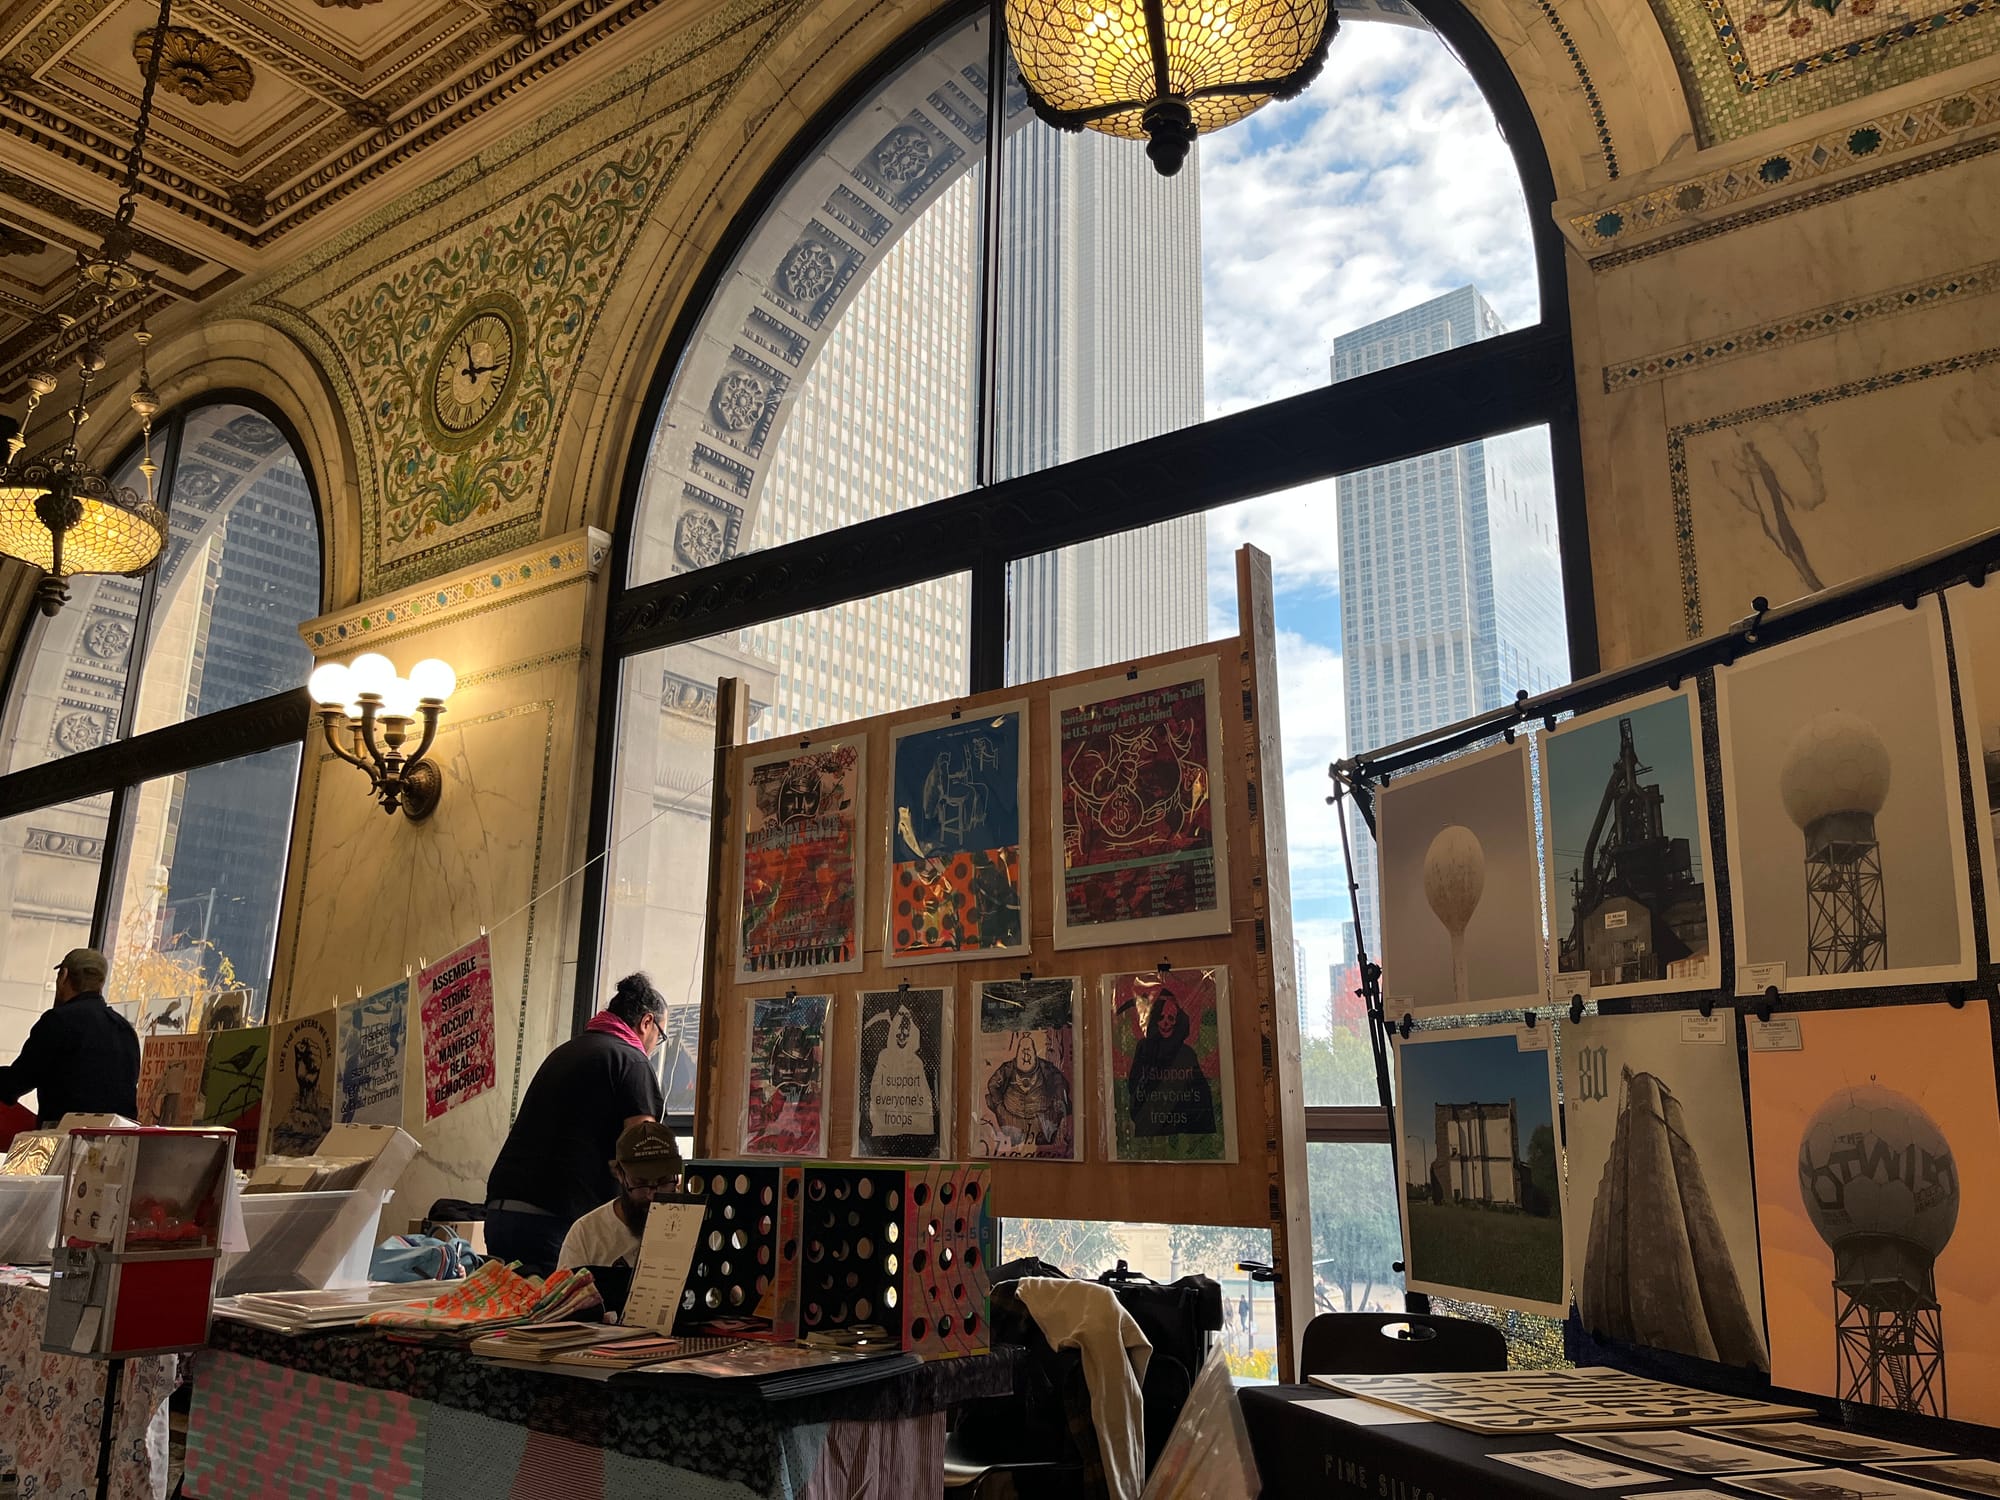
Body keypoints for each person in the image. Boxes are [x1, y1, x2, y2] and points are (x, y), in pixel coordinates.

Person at [484, 973, 666, 1276]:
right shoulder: (632, 1061)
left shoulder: (567, 1051)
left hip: (501, 1212)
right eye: (660, 1037)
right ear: (647, 1022)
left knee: (515, 1303)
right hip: (554, 1219)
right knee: (560, 1307)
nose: (654, 1047)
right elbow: (644, 1156)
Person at [0, 949, 139, 1124]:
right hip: (115, 1138)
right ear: (101, 983)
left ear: (64, 975)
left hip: (64, 1136)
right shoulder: (125, 1030)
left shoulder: (58, 1021)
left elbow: (16, 1083)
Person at [556, 1120, 685, 1271]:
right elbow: (567, 1286)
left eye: (663, 1181)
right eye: (640, 1182)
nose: (652, 1196)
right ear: (619, 1174)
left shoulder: (697, 1223)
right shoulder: (586, 1233)